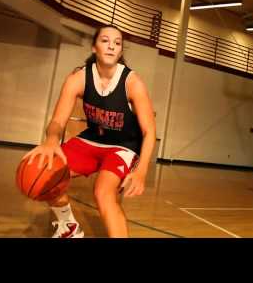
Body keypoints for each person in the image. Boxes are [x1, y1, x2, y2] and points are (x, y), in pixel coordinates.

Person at [22, 25, 156, 238]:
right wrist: (51, 140)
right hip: (92, 140)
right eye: (105, 41)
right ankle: (69, 226)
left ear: (120, 52)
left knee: (103, 193)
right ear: (94, 47)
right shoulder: (78, 78)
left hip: (123, 146)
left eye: (117, 43)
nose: (111, 46)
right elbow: (57, 121)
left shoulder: (132, 83)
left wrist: (141, 172)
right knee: (44, 173)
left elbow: (149, 132)